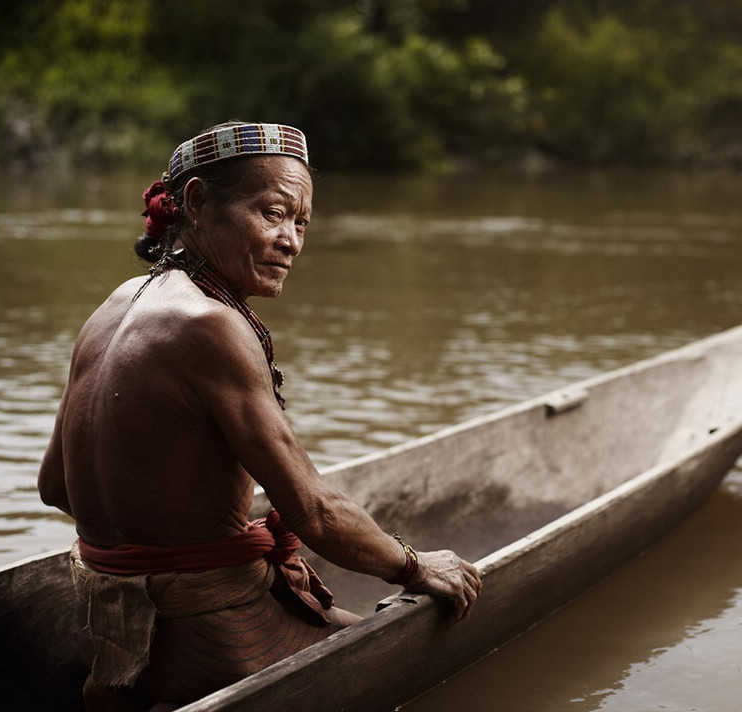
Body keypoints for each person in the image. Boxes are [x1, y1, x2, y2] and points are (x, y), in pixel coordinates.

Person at [37, 122, 482, 712]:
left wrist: (167, 527)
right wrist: (414, 564)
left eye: (300, 223)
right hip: (209, 635)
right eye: (271, 213)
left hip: (113, 639)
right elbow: (316, 513)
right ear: (195, 204)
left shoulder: (114, 305)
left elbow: (55, 486)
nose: (291, 240)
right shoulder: (210, 324)